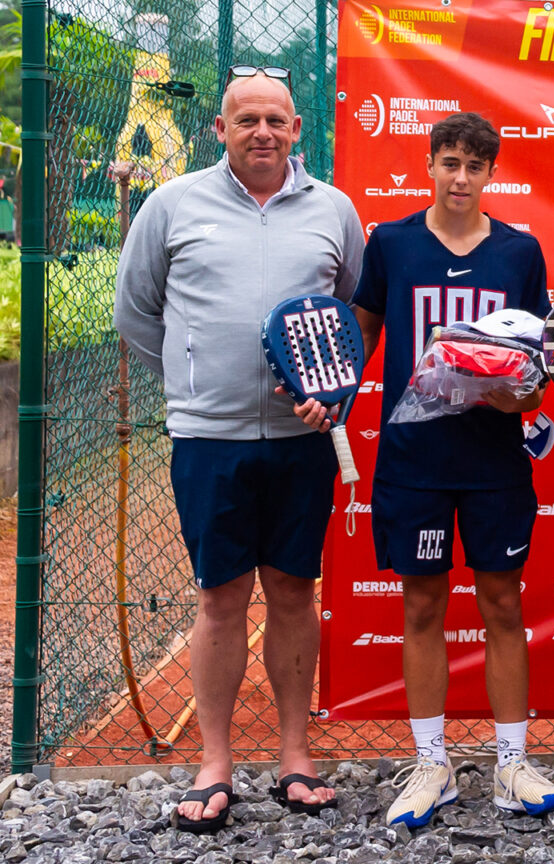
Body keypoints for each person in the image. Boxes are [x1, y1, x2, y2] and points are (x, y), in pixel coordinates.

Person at [113, 66, 364, 833]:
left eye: (275, 120)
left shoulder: (334, 211)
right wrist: (197, 383)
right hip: (207, 440)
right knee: (220, 599)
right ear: (219, 129)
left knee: (293, 592)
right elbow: (136, 313)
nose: (262, 132)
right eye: (246, 119)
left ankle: (294, 756)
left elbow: (346, 313)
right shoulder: (171, 203)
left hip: (301, 441)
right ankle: (215, 763)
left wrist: (326, 389)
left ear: (296, 130)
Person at [331, 112, 554, 828]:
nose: (460, 178)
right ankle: (431, 764)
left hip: (494, 461)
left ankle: (512, 765)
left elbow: (534, 374)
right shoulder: (392, 243)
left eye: (474, 166)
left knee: (503, 604)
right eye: (450, 163)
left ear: (492, 173)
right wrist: (326, 390)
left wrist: (520, 397)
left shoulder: (520, 252)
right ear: (429, 165)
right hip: (415, 462)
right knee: (422, 606)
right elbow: (361, 337)